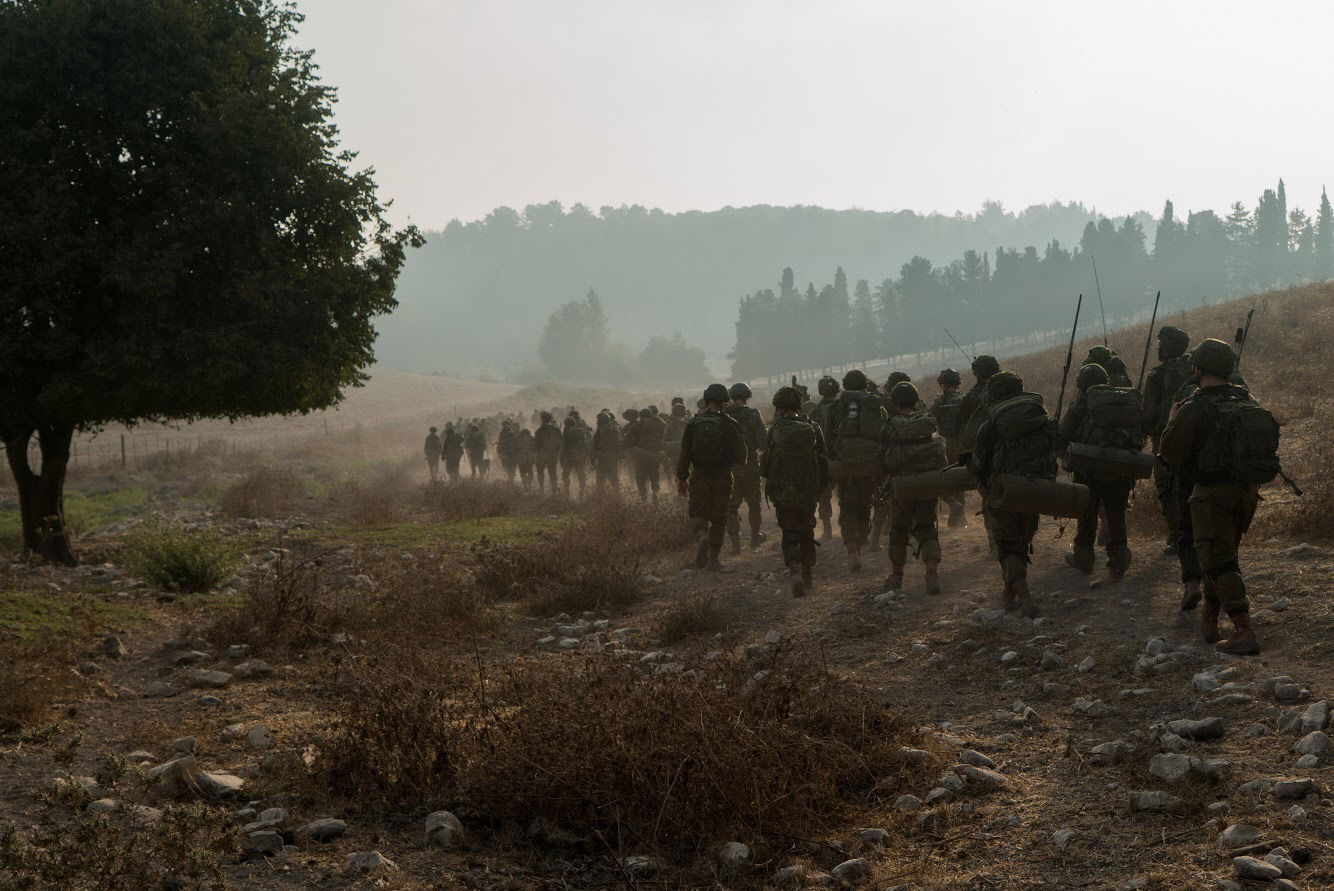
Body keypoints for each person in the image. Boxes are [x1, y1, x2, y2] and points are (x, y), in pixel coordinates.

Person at [1159, 338, 1274, 655]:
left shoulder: (1195, 406)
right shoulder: (1247, 400)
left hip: (1210, 495)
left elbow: (1170, 453)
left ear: (1197, 369)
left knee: (1218, 559)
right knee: (1220, 555)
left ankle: (1243, 629)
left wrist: (1171, 422)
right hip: (1246, 492)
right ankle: (1209, 622)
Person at [969, 371, 1056, 618]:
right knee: (1022, 540)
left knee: (1008, 545)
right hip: (1036, 488)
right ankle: (1009, 592)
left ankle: (1025, 599)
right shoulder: (1039, 415)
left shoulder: (991, 424)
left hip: (1003, 492)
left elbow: (977, 464)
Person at [1059, 363, 1139, 579]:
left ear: (1081, 386)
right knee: (1116, 515)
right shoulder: (1121, 402)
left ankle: (1084, 558)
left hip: (1088, 471)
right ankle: (1118, 561)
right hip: (1119, 469)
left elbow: (1063, 435)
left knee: (1086, 515)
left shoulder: (1079, 406)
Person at [880, 382, 948, 594]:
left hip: (902, 487)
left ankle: (897, 576)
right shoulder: (927, 421)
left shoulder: (890, 425)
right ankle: (931, 575)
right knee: (927, 529)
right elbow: (940, 456)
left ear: (895, 402)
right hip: (927, 485)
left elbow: (883, 459)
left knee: (899, 532)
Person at [762, 386, 829, 597]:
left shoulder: (775, 430)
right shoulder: (813, 427)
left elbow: (765, 464)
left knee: (789, 530)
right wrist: (820, 488)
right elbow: (823, 460)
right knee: (807, 530)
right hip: (807, 490)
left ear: (779, 408)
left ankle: (794, 570)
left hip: (783, 491)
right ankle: (808, 573)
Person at [677, 383, 745, 571]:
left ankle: (701, 537)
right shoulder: (729, 423)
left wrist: (682, 477)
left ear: (707, 399)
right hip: (723, 475)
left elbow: (684, 453)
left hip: (699, 475)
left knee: (698, 513)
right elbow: (742, 455)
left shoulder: (693, 422)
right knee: (719, 518)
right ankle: (713, 560)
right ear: (724, 401)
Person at [1142, 325, 1195, 554]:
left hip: (1164, 439)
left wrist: (1142, 427)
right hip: (1193, 435)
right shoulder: (1195, 369)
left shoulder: (1156, 375)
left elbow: (1150, 413)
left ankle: (1176, 537)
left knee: (1167, 486)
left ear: (1165, 348)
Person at [828, 369, 886, 572]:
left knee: (848, 507)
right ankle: (860, 544)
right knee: (864, 508)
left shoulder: (836, 407)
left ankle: (852, 549)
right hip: (870, 466)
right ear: (864, 385)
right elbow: (884, 434)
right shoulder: (874, 405)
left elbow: (828, 438)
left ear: (844, 385)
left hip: (846, 467)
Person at [958, 354, 1001, 557]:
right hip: (1010, 448)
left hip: (984, 452)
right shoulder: (1009, 387)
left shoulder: (970, 397)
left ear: (976, 373)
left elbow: (963, 427)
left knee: (988, 493)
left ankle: (993, 540)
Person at [723, 382, 768, 552]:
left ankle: (735, 544)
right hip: (749, 464)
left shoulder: (723, 415)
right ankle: (755, 538)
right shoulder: (753, 414)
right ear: (747, 397)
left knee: (731, 505)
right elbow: (763, 443)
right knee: (754, 503)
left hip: (729, 467)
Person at [930, 368, 968, 527]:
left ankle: (955, 510)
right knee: (962, 480)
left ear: (942, 384)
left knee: (948, 479)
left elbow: (930, 421)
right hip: (965, 444)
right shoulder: (965, 399)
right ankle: (960, 518)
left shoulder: (939, 402)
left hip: (946, 443)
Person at [810, 376, 840, 540]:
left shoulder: (814, 412)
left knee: (824, 495)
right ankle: (849, 526)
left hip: (823, 459)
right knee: (847, 492)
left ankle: (827, 528)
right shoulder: (843, 408)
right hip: (842, 458)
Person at [626, 406, 666, 501]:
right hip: (648, 456)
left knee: (647, 478)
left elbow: (627, 439)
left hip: (648, 456)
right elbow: (627, 439)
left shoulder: (657, 424)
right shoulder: (658, 424)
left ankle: (649, 497)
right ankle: (649, 497)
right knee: (648, 478)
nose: (644, 420)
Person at [591, 410, 622, 493]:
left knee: (600, 480)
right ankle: (617, 498)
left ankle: (601, 498)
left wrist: (593, 458)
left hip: (603, 459)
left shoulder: (599, 432)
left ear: (600, 421)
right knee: (614, 480)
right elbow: (619, 445)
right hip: (613, 459)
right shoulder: (615, 430)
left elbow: (594, 446)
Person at [561, 410, 591, 497]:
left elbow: (563, 445)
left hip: (569, 456)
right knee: (581, 474)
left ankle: (567, 493)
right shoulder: (580, 431)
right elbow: (585, 444)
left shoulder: (566, 431)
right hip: (580, 456)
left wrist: (561, 457)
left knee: (566, 474)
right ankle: (581, 492)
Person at [533, 411, 562, 493]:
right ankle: (554, 491)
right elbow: (560, 444)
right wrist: (556, 452)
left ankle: (542, 489)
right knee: (553, 473)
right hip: (552, 454)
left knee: (540, 472)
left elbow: (536, 445)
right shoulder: (557, 430)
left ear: (542, 419)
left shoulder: (539, 431)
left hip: (542, 455)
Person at [515, 426, 535, 490]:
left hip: (521, 456)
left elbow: (515, 448)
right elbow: (534, 447)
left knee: (522, 471)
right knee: (530, 470)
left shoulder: (518, 438)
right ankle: (529, 485)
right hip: (529, 455)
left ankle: (525, 486)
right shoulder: (531, 438)